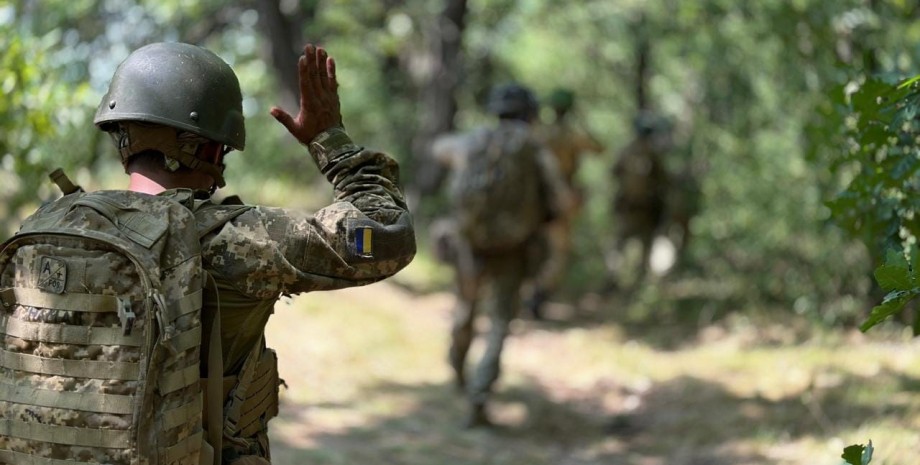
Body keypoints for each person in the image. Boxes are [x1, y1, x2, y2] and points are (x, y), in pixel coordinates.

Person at [93, 42, 416, 464]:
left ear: (124, 137)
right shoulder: (234, 239)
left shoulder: (51, 229)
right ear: (205, 147)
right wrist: (330, 140)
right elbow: (385, 235)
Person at [430, 83, 570, 428]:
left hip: (470, 243)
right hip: (512, 248)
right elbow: (562, 201)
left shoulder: (472, 141)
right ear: (531, 113)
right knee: (499, 324)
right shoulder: (534, 147)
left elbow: (438, 149)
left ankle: (458, 371)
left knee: (466, 310)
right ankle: (479, 397)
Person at [528, 88, 605, 318]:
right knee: (558, 253)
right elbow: (600, 149)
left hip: (535, 201)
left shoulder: (539, 132)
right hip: (560, 202)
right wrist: (583, 120)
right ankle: (537, 296)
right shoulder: (572, 134)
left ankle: (529, 295)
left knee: (534, 250)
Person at [609, 109, 670, 291]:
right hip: (642, 209)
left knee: (620, 244)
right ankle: (636, 284)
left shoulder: (627, 151)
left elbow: (614, 174)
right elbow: (664, 180)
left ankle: (616, 281)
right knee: (640, 245)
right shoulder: (653, 153)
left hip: (633, 208)